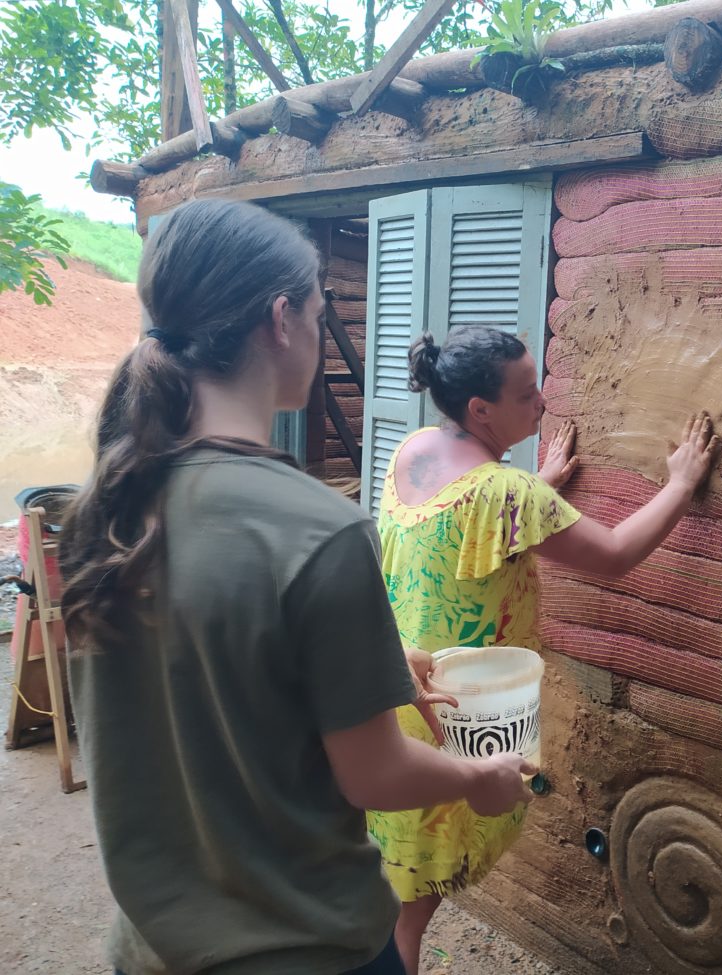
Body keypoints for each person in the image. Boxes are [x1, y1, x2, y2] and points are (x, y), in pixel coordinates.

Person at [57, 199, 535, 975]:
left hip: (151, 948)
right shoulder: (319, 527)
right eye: (318, 311)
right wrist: (476, 778)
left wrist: (380, 658)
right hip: (306, 949)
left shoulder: (104, 510)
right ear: (281, 319)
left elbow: (210, 670)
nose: (318, 330)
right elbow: (375, 773)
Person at [368, 325, 721, 974]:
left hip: (401, 698)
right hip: (461, 715)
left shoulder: (413, 452)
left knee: (397, 889)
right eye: (528, 393)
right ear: (480, 410)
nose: (543, 402)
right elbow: (614, 555)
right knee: (407, 913)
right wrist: (679, 483)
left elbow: (462, 543)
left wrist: (539, 493)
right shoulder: (508, 496)